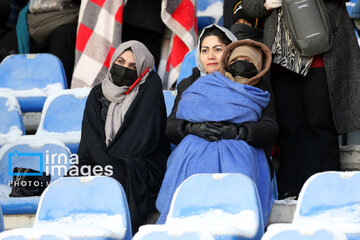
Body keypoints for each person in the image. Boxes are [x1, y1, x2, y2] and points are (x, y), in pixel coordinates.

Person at [157, 24, 278, 224]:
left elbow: (270, 127)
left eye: (218, 49)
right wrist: (191, 128)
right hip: (195, 151)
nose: (211, 56)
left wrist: (240, 131)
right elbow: (171, 127)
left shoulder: (252, 81)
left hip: (241, 149)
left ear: (231, 53)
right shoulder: (189, 84)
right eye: (205, 50)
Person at [241, 0, 360, 198]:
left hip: (322, 54)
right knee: (289, 129)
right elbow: (249, 6)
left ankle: (326, 194)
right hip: (282, 61)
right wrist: (267, 3)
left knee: (321, 126)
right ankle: (291, 193)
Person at [75, 40, 171, 233]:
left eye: (132, 66)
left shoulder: (149, 86)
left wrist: (107, 166)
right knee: (74, 178)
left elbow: (142, 140)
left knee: (117, 175)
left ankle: (117, 232)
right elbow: (90, 139)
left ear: (142, 70)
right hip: (103, 160)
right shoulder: (97, 93)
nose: (124, 69)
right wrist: (104, 164)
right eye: (120, 62)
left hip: (141, 163)